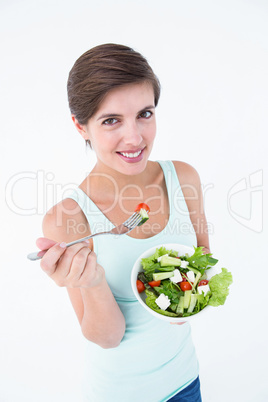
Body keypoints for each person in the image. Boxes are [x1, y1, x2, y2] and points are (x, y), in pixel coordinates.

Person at [36, 43, 210, 402]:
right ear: (80, 126)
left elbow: (202, 267)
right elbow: (108, 337)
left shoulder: (184, 179)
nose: (134, 138)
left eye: (145, 114)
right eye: (111, 120)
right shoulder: (69, 219)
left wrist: (185, 297)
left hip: (186, 381)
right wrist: (93, 280)